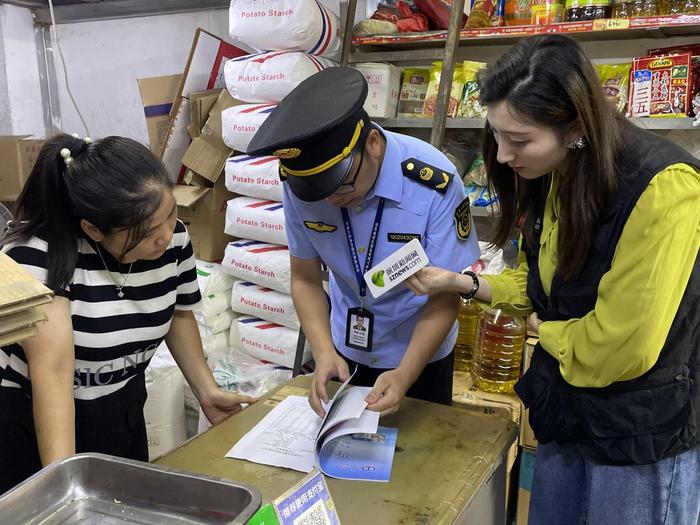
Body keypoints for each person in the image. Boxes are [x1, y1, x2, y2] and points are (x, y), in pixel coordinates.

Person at [406, 35, 700, 524]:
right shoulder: (558, 170)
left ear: (577, 127)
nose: (501, 156)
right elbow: (544, 289)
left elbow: (622, 347)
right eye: (496, 135)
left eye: (519, 141)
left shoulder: (663, 185)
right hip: (570, 412)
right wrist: (458, 282)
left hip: (639, 434)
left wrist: (546, 332)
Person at [0, 134, 256, 494]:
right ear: (93, 229)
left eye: (171, 214)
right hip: (36, 420)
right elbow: (54, 373)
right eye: (147, 232)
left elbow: (178, 313)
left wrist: (206, 390)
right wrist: (66, 489)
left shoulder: (172, 241)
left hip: (120, 409)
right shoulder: (37, 256)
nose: (166, 236)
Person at [247, 67, 479, 417]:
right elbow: (305, 278)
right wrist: (324, 351)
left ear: (372, 144)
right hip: (344, 353)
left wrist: (405, 375)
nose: (331, 200)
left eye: (342, 185)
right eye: (319, 193)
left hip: (420, 355)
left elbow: (445, 295)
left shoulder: (433, 182)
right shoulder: (303, 187)